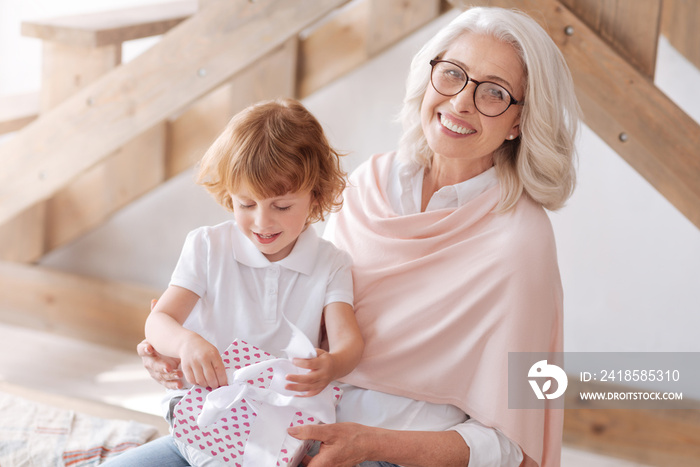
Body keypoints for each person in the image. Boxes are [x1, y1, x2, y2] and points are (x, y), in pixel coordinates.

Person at [139, 6, 579, 467]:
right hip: (276, 426)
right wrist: (170, 348)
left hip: (394, 453)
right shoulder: (370, 183)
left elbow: (511, 444)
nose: (462, 101)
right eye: (452, 74)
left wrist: (369, 444)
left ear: (519, 122)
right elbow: (303, 321)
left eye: (494, 92)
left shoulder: (521, 242)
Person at [106, 98, 364, 466]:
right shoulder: (208, 245)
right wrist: (186, 343)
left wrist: (333, 364)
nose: (262, 222)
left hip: (278, 430)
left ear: (315, 196)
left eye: (282, 206)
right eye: (246, 204)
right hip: (200, 417)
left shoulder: (332, 263)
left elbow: (349, 340)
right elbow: (159, 321)